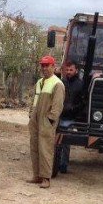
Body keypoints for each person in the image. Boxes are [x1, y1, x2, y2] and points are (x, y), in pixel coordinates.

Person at [27, 55, 65, 188]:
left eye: (47, 65)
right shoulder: (39, 82)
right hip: (36, 119)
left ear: (53, 67)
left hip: (46, 121)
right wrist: (31, 114)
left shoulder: (57, 84)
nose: (44, 68)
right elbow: (35, 100)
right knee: (35, 147)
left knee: (45, 149)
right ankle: (36, 175)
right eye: (42, 65)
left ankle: (46, 178)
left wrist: (50, 119)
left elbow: (58, 105)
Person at [56, 60, 84, 172]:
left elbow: (82, 102)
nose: (68, 72)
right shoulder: (62, 82)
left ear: (76, 70)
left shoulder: (80, 84)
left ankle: (63, 165)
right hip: (60, 115)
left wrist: (73, 109)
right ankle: (55, 163)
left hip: (71, 118)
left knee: (66, 141)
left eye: (71, 70)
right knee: (57, 141)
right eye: (67, 70)